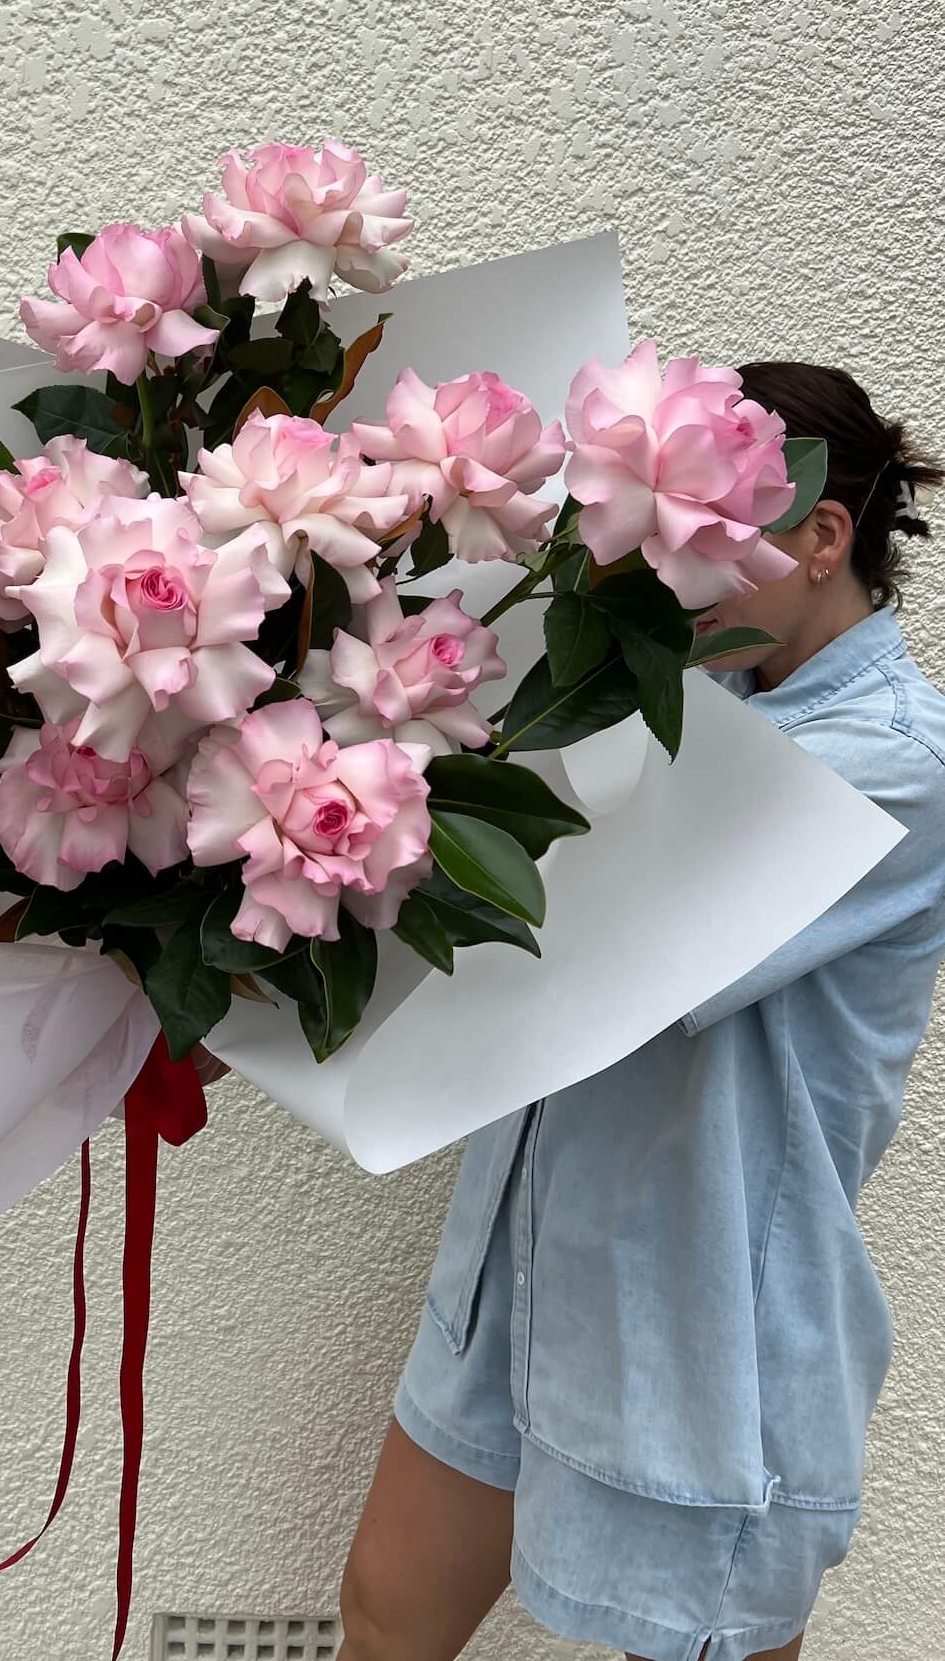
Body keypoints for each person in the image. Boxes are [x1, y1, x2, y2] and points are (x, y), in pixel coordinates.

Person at [336, 362, 945, 1661]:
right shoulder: (691, 693)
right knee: (386, 1616)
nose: (668, 566)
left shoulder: (898, 760)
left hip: (705, 1328)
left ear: (821, 536)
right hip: (519, 1270)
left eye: (704, 530)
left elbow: (638, 958)